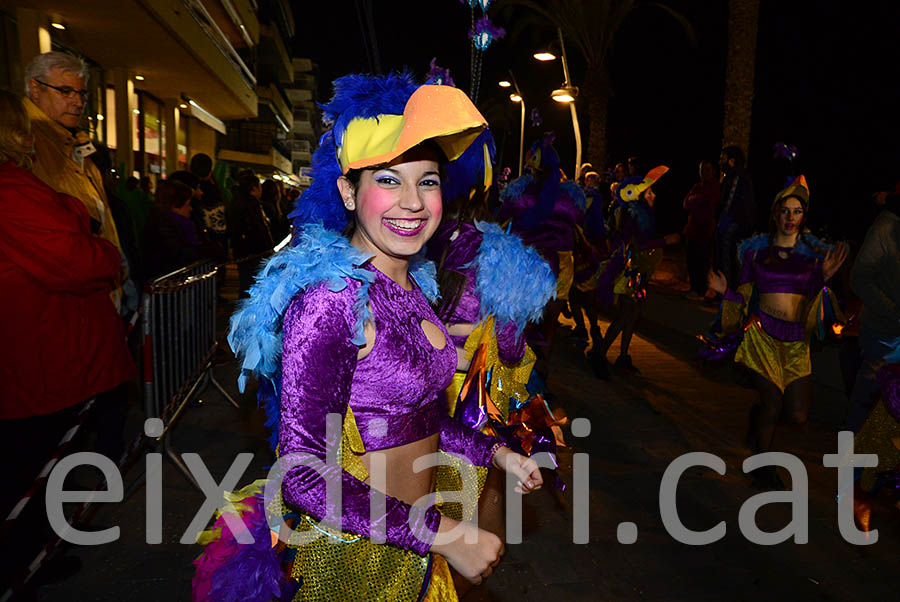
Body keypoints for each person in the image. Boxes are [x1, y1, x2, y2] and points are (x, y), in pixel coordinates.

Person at [196, 73, 543, 601]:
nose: (412, 201)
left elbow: (415, 419)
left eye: (427, 181)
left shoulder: (412, 285)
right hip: (354, 558)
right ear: (348, 190)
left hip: (411, 549)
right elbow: (303, 473)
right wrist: (445, 534)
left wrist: (494, 452)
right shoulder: (332, 300)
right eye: (387, 179)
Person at [0, 89, 135, 591]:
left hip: (41, 353)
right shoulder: (12, 191)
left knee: (36, 471)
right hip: (36, 356)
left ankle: (35, 551)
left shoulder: (24, 185)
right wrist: (99, 246)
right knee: (26, 474)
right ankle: (23, 564)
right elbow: (78, 261)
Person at [707, 176, 848, 489]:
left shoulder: (812, 259)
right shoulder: (755, 254)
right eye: (785, 211)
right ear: (775, 214)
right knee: (773, 403)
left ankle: (759, 419)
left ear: (803, 217)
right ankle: (762, 464)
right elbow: (743, 298)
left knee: (797, 416)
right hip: (763, 338)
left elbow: (814, 301)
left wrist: (822, 278)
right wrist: (724, 291)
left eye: (797, 211)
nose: (790, 218)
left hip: (796, 343)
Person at [24, 51, 128, 311]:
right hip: (62, 300)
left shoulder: (77, 145)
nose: (77, 102)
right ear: (35, 88)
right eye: (65, 91)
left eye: (81, 94)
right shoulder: (26, 144)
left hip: (95, 291)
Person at [498, 133, 586, 378]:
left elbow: (501, 219)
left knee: (522, 323)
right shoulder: (570, 197)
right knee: (549, 326)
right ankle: (541, 376)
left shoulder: (522, 193)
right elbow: (582, 224)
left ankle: (521, 376)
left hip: (527, 265)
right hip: (560, 267)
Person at [588, 167, 681, 378]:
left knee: (632, 315)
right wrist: (667, 240)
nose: (654, 195)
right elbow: (640, 243)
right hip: (630, 273)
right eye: (649, 192)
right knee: (625, 315)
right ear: (639, 196)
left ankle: (622, 356)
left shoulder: (643, 215)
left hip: (639, 272)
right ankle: (599, 353)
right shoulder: (633, 216)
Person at [844, 191, 900, 432]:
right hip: (884, 335)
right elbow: (860, 279)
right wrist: (894, 311)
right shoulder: (886, 227)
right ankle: (852, 464)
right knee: (868, 405)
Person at [143, 179, 222, 279]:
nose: (190, 208)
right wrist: (208, 251)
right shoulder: (165, 226)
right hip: (170, 284)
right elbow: (182, 253)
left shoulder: (166, 223)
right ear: (176, 205)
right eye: (187, 204)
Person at [714, 145, 756, 289]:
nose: (721, 162)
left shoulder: (737, 177)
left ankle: (727, 292)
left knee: (727, 258)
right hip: (734, 225)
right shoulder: (733, 177)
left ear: (731, 161)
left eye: (723, 158)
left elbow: (730, 203)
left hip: (733, 227)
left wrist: (725, 221)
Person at [230, 172, 273, 298]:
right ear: (253, 188)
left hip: (242, 251)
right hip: (255, 253)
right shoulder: (252, 205)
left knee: (245, 283)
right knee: (252, 286)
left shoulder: (235, 202)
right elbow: (259, 229)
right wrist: (268, 249)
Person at [683, 160, 720, 300]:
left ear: (713, 171)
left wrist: (697, 200)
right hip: (692, 229)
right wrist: (700, 199)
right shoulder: (697, 187)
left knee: (702, 261)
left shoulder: (716, 187)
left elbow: (710, 204)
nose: (704, 172)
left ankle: (700, 290)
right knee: (692, 260)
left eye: (707, 169)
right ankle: (694, 288)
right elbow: (686, 203)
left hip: (706, 230)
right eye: (702, 169)